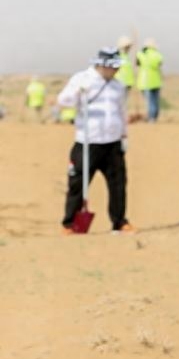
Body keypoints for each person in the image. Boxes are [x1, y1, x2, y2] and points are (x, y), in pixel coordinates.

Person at [56, 48, 134, 234]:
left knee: (118, 184)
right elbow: (63, 100)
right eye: (111, 67)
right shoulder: (82, 79)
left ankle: (119, 222)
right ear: (101, 65)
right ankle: (69, 224)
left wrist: (124, 135)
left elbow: (121, 112)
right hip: (88, 143)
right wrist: (78, 92)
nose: (114, 71)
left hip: (113, 143)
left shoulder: (118, 85)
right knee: (78, 184)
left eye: (116, 68)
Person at [136, 39, 164, 123]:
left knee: (149, 101)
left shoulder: (140, 54)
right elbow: (160, 64)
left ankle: (151, 118)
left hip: (144, 81)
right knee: (155, 101)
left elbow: (137, 64)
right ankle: (154, 117)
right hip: (156, 81)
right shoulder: (158, 55)